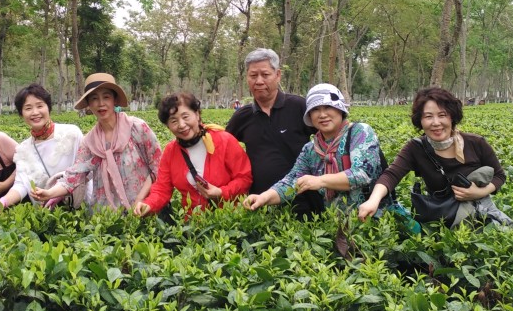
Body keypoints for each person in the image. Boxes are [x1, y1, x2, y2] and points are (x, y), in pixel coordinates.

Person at [357, 87, 512, 226]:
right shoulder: (416, 148)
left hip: (481, 213)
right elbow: (391, 175)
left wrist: (479, 192)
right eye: (428, 116)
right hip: (443, 217)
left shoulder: (476, 143)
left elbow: (499, 175)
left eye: (442, 115)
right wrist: (373, 200)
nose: (436, 122)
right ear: (420, 121)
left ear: (452, 117)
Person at [243, 84, 383, 214]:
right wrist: (264, 197)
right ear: (309, 116)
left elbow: (363, 173)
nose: (322, 115)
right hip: (336, 223)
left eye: (328, 107)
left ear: (340, 109)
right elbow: (292, 181)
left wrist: (320, 181)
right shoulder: (311, 149)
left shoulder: (359, 132)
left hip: (375, 220)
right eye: (315, 109)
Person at [31, 73, 161, 212]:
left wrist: (140, 200)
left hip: (144, 208)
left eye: (106, 97)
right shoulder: (90, 143)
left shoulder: (137, 128)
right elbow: (73, 177)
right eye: (94, 99)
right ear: (88, 104)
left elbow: (158, 166)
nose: (100, 103)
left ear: (114, 100)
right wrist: (49, 193)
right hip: (108, 217)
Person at [226, 48, 318, 217]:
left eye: (265, 74)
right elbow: (223, 149)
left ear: (278, 75)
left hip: (304, 201)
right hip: (260, 203)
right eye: (253, 76)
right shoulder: (242, 116)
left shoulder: (299, 106)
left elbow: (329, 138)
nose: (259, 81)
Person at [133, 92, 252, 220]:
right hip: (192, 226)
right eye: (174, 121)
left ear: (197, 114)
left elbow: (244, 178)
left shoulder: (224, 140)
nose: (182, 125)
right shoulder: (171, 152)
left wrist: (221, 192)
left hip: (228, 220)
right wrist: (148, 205)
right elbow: (162, 188)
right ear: (168, 126)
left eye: (185, 116)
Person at [0, 84, 84, 212]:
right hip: (47, 214)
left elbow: (86, 170)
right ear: (21, 113)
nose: (35, 112)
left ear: (48, 107)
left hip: (80, 207)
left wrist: (61, 191)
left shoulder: (72, 134)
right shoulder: (23, 149)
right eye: (28, 108)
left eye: (40, 106)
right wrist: (3, 202)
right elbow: (21, 185)